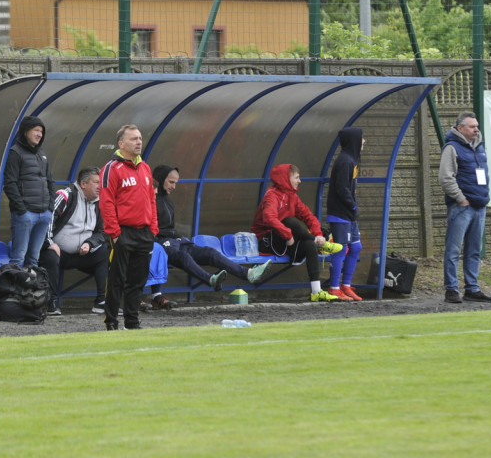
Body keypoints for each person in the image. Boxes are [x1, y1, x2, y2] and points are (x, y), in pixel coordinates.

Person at [148, 165, 272, 302]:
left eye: (176, 183)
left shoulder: (169, 201)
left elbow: (169, 226)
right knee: (182, 256)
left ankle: (248, 273)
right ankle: (210, 280)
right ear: (160, 179)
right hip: (161, 242)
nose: (174, 187)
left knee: (210, 252)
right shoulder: (149, 199)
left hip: (177, 240)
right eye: (171, 182)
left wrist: (177, 236)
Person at [252, 164, 343, 303]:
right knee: (289, 221)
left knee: (308, 245)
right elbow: (269, 218)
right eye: (297, 177)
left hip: (285, 241)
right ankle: (319, 243)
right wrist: (288, 235)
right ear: (286, 179)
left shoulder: (292, 196)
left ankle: (316, 292)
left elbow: (308, 216)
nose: (300, 181)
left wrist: (318, 234)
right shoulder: (271, 195)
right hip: (266, 241)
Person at [99, 125, 158, 330]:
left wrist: (153, 230)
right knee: (116, 281)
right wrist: (115, 233)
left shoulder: (145, 168)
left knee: (137, 282)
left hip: (144, 233)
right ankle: (112, 322)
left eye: (140, 138)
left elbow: (152, 200)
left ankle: (132, 322)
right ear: (121, 143)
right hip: (122, 232)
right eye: (133, 139)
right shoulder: (111, 168)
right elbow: (106, 203)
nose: (139, 142)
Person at [38, 167, 109, 316]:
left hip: (82, 254)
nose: (100, 186)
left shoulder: (99, 203)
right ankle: (51, 301)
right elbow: (47, 219)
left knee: (104, 252)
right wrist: (50, 243)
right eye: (96, 182)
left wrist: (90, 243)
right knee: (50, 255)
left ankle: (102, 301)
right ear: (83, 184)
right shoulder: (65, 195)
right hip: (59, 252)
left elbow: (102, 232)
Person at [440, 111, 491, 304]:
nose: (476, 129)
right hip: (461, 207)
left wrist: (484, 197)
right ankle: (451, 289)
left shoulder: (479, 147)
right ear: (460, 128)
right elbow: (446, 178)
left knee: (473, 250)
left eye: (477, 126)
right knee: (453, 250)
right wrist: (461, 198)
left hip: (479, 207)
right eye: (472, 126)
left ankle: (472, 289)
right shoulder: (452, 148)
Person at [3, 114, 55, 268]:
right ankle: (14, 292)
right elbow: (10, 183)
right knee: (18, 257)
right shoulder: (15, 152)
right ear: (25, 131)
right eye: (36, 130)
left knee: (34, 258)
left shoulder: (42, 154)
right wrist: (21, 210)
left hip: (44, 214)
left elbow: (50, 181)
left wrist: (49, 208)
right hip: (25, 215)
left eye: (42, 131)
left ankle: (30, 291)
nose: (40, 134)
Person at [325, 128, 366, 301]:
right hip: (340, 213)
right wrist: (353, 207)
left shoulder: (352, 160)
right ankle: (334, 288)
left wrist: (353, 208)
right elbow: (342, 189)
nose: (364, 141)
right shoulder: (344, 161)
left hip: (349, 213)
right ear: (354, 140)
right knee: (340, 249)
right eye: (362, 138)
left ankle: (346, 285)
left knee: (356, 247)